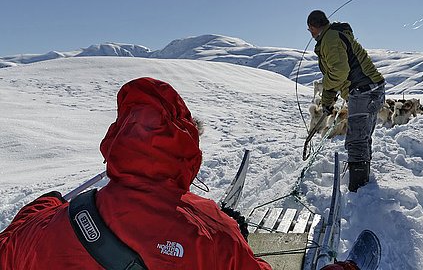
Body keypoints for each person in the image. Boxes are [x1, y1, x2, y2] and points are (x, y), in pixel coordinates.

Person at [0, 77, 272, 269]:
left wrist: (43, 206)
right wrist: (237, 241)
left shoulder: (42, 228)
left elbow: (7, 248)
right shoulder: (212, 232)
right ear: (187, 153)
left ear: (116, 141)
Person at [307, 10, 385, 192]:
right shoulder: (332, 36)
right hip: (371, 88)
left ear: (312, 28)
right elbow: (336, 76)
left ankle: (358, 189)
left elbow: (338, 73)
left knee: (356, 139)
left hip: (363, 90)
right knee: (362, 137)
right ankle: (363, 183)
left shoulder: (330, 39)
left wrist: (326, 86)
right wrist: (327, 102)